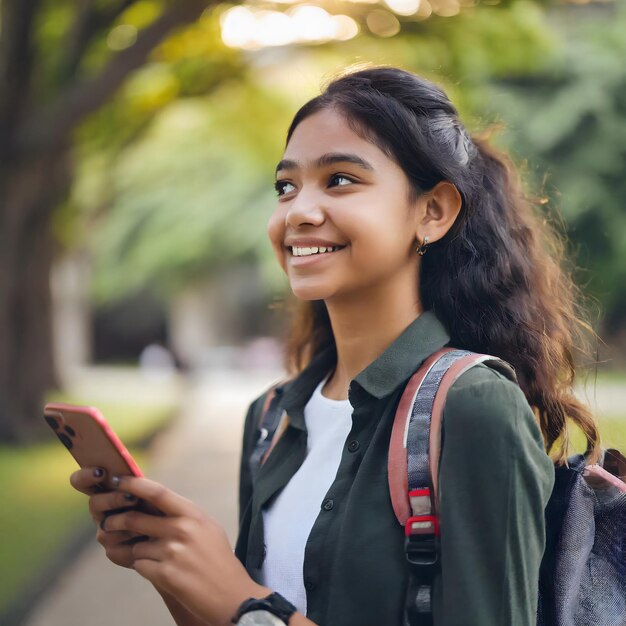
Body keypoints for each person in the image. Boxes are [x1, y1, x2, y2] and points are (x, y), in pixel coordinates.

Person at [70, 66, 600, 626]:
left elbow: (250, 614)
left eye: (341, 179)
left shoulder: (472, 406)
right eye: (285, 186)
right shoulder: (271, 420)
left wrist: (242, 601)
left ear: (433, 212)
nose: (298, 211)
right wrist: (177, 570)